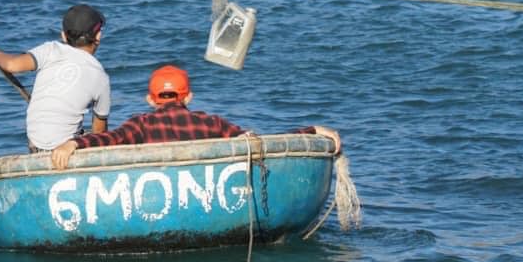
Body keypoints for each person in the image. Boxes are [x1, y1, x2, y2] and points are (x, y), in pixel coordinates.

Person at [50, 64, 341, 170]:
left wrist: (73, 144)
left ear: (151, 100)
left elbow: (109, 139)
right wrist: (312, 130)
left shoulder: (140, 124)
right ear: (188, 97)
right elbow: (257, 143)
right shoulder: (210, 123)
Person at [0, 4, 111, 152]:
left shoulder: (51, 50)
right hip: (66, 149)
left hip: (36, 144)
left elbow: (12, 65)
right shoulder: (100, 76)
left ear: (63, 35)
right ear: (98, 37)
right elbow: (99, 132)